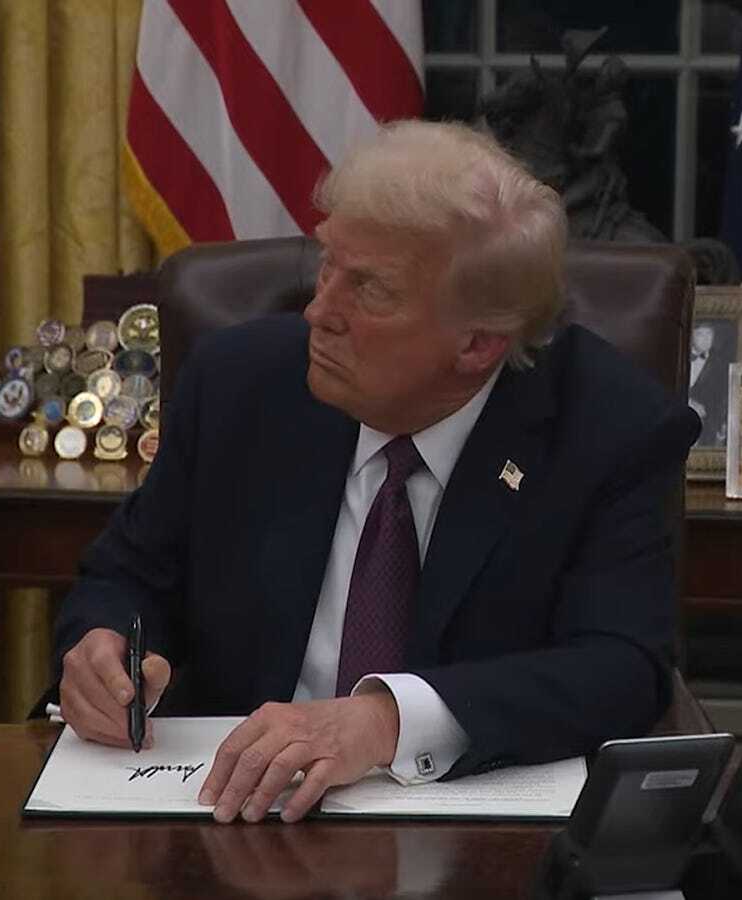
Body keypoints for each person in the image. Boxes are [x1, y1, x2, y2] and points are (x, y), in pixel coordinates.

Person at [46, 120, 699, 825]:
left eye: (369, 290)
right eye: (327, 265)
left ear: (478, 343)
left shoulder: (607, 428)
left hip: (470, 836)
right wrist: (103, 647)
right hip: (230, 815)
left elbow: (621, 667)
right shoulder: (240, 384)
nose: (319, 311)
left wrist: (384, 720)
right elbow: (127, 577)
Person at [688, 322, 728, 447]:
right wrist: (688, 401)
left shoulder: (720, 365)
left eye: (709, 334)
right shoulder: (677, 356)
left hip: (707, 426)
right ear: (691, 336)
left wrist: (722, 424)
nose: (706, 339)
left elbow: (723, 397)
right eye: (700, 334)